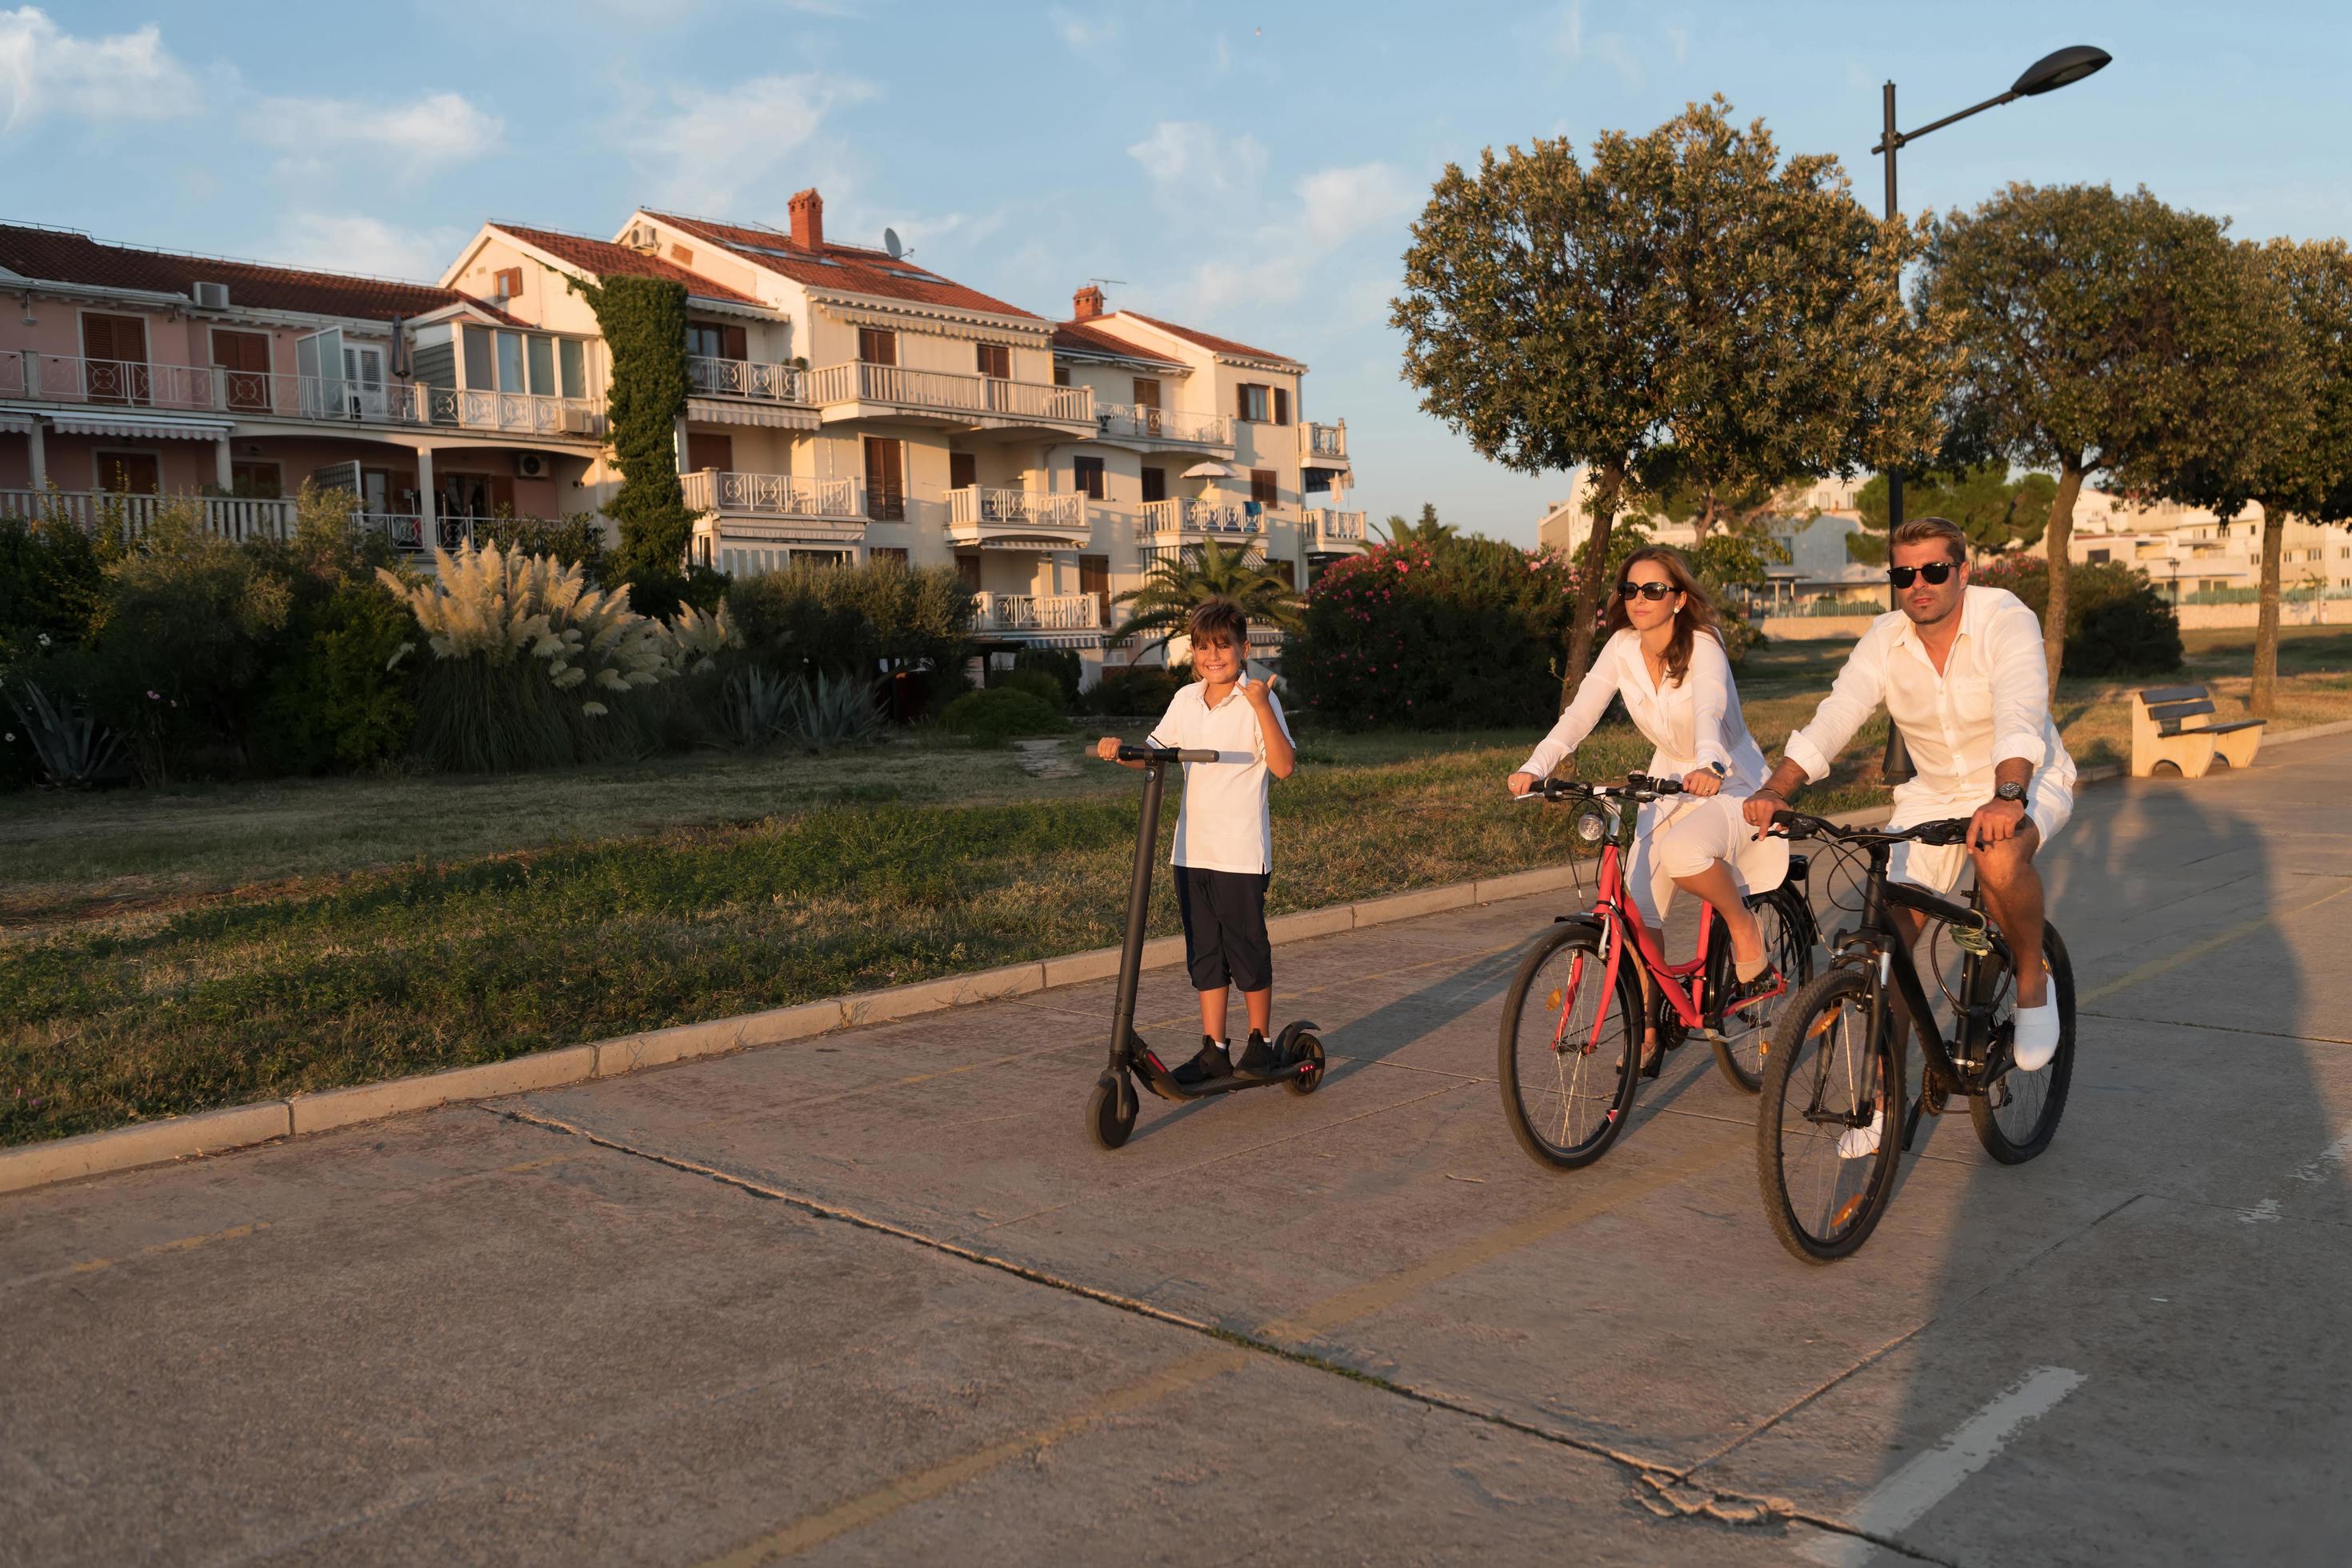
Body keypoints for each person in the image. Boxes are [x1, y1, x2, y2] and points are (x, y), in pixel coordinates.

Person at [1742, 515, 2076, 1155]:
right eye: (1903, 574)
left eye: (1933, 570)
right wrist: (1777, 789)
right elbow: (1837, 713)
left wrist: (2007, 795)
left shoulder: (2005, 617)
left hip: (2022, 778)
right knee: (1886, 943)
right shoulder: (1886, 638)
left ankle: (2032, 981)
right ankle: (1877, 1100)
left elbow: (2020, 707)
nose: (1918, 584)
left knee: (1999, 858)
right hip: (1931, 793)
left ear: (1963, 569)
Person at [1506, 546, 1790, 1064]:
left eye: (1653, 589)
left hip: (1732, 781)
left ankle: (1744, 928)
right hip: (1668, 780)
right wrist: (1536, 766)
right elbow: (1579, 715)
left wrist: (1709, 765)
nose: (1640, 599)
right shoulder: (1621, 647)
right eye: (1630, 589)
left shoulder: (1703, 644)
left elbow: (1709, 708)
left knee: (1684, 854)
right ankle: (1649, 1030)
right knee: (1637, 911)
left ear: (1678, 598)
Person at [1096, 596, 1296, 1083]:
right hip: (1192, 851)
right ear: (1193, 652)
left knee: (1246, 948)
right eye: (1204, 647)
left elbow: (1284, 766)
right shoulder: (1186, 699)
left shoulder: (1258, 698)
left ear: (1243, 648)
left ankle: (1259, 1043)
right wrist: (1117, 751)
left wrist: (1259, 705)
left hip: (1240, 852)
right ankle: (1214, 1048)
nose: (1213, 656)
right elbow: (1155, 754)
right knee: (1205, 951)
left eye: (1223, 647)